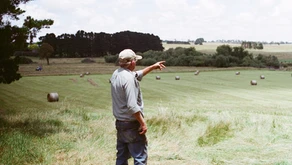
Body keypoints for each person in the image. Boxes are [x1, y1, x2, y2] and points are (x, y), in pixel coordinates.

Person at [110, 49, 166, 165]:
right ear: (131, 62)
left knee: (121, 156)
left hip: (120, 122)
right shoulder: (129, 79)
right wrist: (142, 123)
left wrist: (153, 66)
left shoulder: (117, 74)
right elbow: (132, 106)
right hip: (131, 124)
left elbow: (138, 74)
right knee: (140, 157)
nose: (136, 62)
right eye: (135, 60)